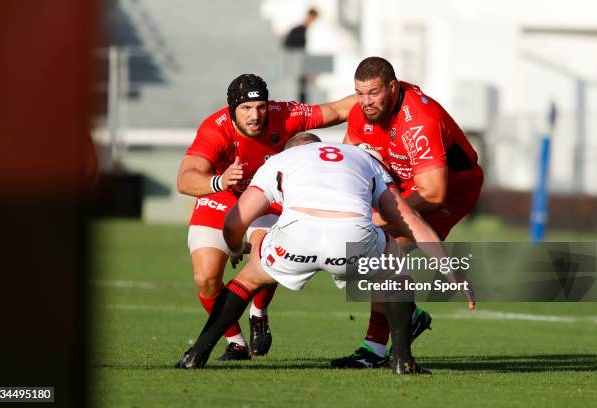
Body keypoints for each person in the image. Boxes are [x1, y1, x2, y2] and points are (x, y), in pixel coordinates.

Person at [175, 134, 475, 374]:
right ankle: (402, 360)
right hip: (350, 236)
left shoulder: (279, 161)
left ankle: (197, 353)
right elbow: (409, 221)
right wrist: (450, 271)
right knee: (393, 265)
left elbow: (235, 220)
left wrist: (239, 247)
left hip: (297, 237)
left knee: (249, 277)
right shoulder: (362, 157)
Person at [177, 74, 356, 360]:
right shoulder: (215, 129)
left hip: (267, 199)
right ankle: (236, 343)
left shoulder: (283, 115)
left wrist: (384, 94)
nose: (255, 115)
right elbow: (185, 180)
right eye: (246, 109)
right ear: (231, 109)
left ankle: (258, 312)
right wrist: (219, 182)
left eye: (260, 106)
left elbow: (338, 109)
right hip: (222, 195)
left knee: (264, 253)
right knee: (205, 277)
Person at [331, 56, 484, 368]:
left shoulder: (420, 121)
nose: (365, 102)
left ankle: (380, 343)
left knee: (382, 248)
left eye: (373, 93)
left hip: (451, 190)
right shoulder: (362, 113)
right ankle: (392, 332)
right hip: (406, 182)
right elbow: (350, 160)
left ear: (392, 86)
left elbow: (434, 193)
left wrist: (383, 216)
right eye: (359, 93)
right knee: (374, 247)